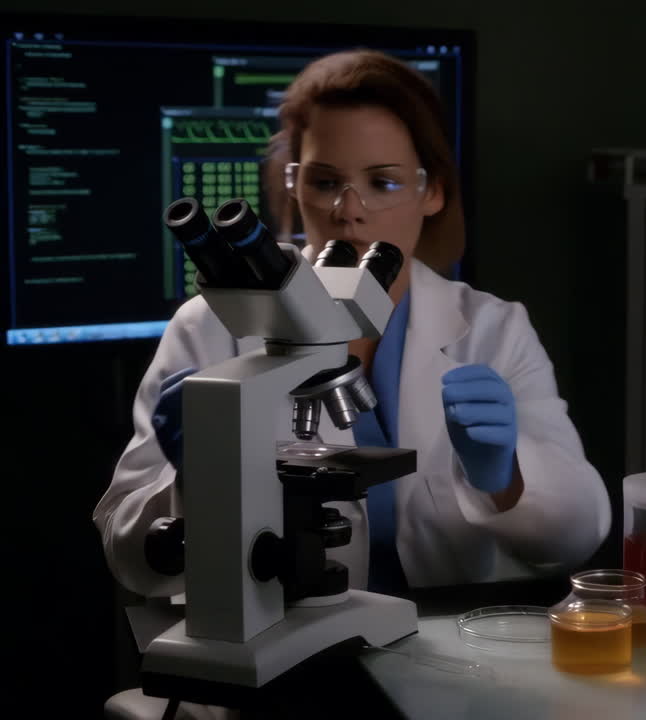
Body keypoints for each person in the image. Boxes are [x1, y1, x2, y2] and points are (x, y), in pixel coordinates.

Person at [94, 50, 610, 599]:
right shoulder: (211, 326)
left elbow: (576, 540)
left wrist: (504, 477)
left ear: (432, 191)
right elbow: (129, 555)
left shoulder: (494, 329)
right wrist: (192, 484)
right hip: (274, 628)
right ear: (294, 187)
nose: (348, 210)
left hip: (447, 631)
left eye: (382, 182)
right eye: (324, 181)